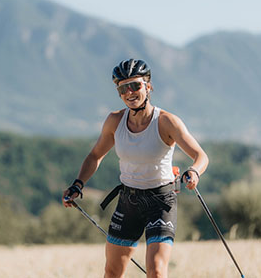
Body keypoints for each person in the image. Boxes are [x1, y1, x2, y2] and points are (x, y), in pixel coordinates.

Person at [62, 58, 209, 278]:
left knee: (157, 271)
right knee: (112, 272)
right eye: (123, 88)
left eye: (135, 85)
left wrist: (194, 171)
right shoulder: (114, 121)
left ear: (148, 86)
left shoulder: (167, 122)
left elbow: (201, 156)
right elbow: (95, 156)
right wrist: (78, 184)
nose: (129, 92)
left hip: (161, 201)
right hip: (128, 201)